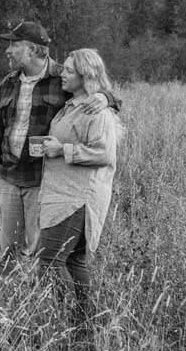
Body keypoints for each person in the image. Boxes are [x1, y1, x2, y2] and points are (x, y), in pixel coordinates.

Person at [0, 21, 116, 273]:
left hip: (43, 182)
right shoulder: (8, 83)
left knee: (39, 254)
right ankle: (10, 304)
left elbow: (103, 94)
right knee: (8, 252)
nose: (8, 50)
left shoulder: (64, 78)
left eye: (14, 44)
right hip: (9, 180)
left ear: (33, 50)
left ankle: (37, 304)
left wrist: (105, 98)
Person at [36, 48, 123, 334]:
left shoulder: (97, 111)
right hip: (61, 193)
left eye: (70, 71)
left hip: (78, 198)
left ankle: (70, 321)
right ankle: (85, 327)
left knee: (48, 262)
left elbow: (104, 154)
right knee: (75, 261)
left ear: (86, 76)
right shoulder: (72, 104)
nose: (63, 73)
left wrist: (62, 150)